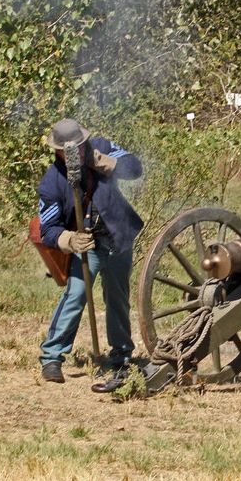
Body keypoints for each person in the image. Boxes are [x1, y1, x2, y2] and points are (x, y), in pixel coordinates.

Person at [37, 119, 143, 387]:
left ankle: (121, 354)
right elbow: (48, 229)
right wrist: (69, 239)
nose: (77, 152)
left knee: (118, 296)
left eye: (80, 147)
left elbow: (135, 169)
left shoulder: (102, 147)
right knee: (76, 294)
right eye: (68, 149)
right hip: (88, 246)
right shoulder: (51, 183)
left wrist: (104, 162)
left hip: (118, 236)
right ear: (58, 151)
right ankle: (52, 356)